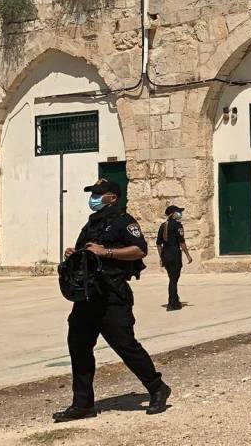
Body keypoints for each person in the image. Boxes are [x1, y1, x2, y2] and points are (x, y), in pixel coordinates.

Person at [54, 179, 170, 422]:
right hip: (88, 296)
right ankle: (82, 403)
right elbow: (86, 252)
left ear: (113, 197)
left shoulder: (124, 222)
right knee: (78, 345)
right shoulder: (92, 224)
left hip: (113, 295)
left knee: (125, 346)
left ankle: (157, 388)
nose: (94, 198)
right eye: (93, 194)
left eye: (99, 194)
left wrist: (106, 252)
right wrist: (74, 254)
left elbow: (139, 251)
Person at [156, 204, 193, 311]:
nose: (180, 214)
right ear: (172, 214)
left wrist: (161, 257)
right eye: (178, 212)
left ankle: (175, 299)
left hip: (166, 254)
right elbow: (181, 242)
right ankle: (172, 303)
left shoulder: (163, 226)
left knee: (172, 278)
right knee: (173, 279)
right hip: (175, 254)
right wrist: (188, 255)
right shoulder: (177, 225)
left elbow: (158, 244)